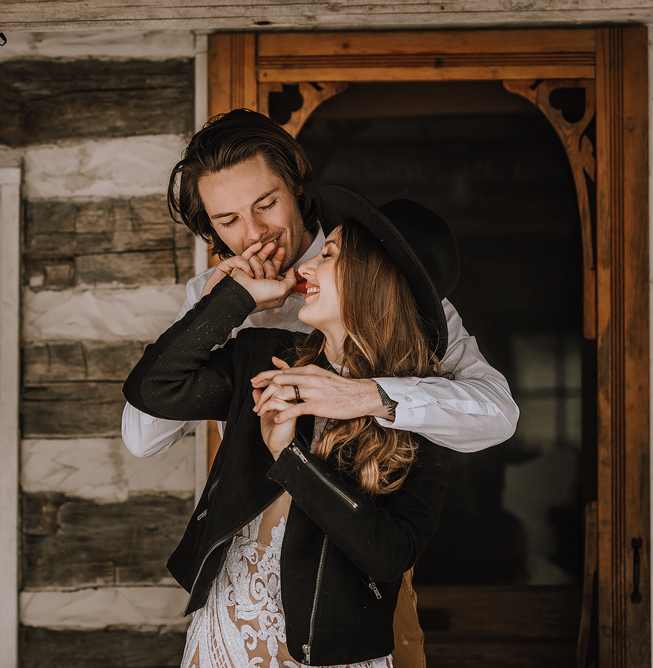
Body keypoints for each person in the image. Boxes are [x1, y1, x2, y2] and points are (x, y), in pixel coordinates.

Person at [121, 109, 520, 667]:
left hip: (346, 585)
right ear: (212, 229)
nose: (254, 234)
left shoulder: (397, 283)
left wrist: (362, 395)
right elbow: (143, 433)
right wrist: (222, 311)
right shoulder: (221, 304)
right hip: (240, 589)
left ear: (297, 189)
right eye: (229, 220)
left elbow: (498, 414)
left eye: (266, 204)